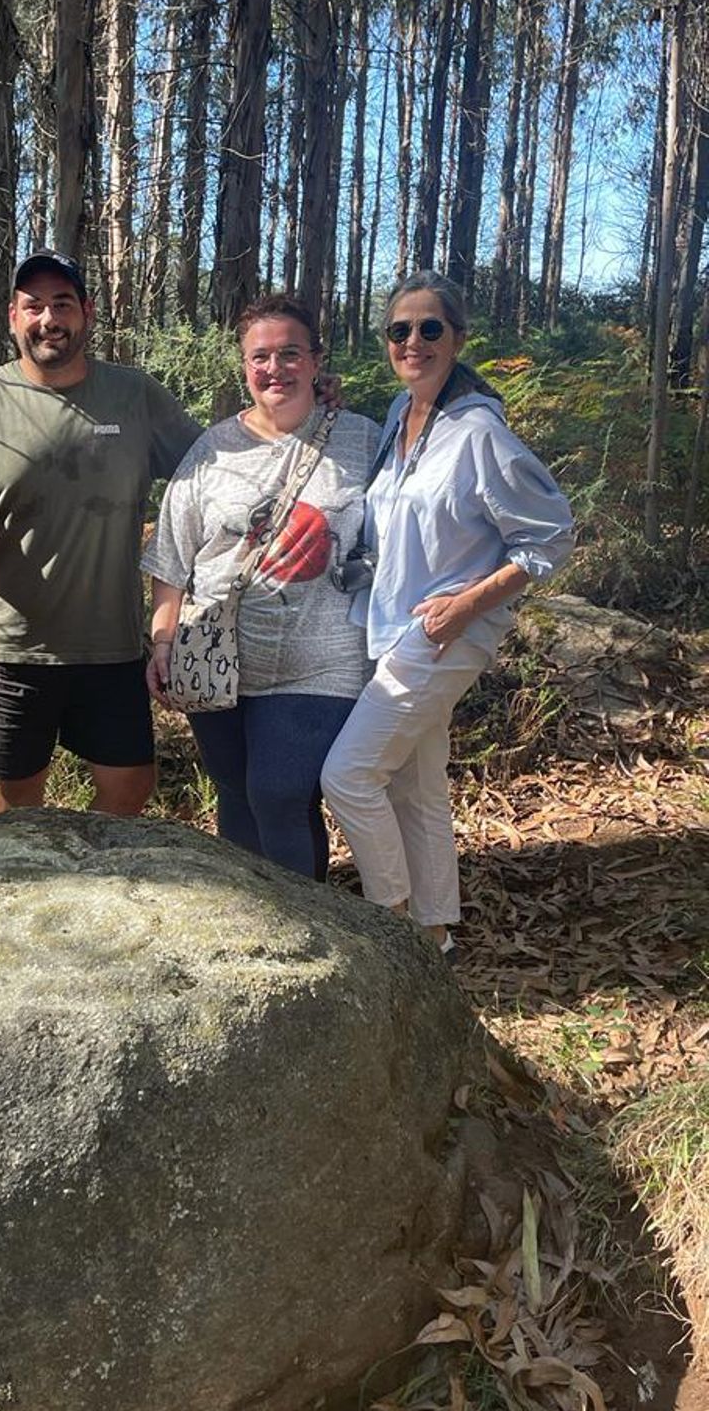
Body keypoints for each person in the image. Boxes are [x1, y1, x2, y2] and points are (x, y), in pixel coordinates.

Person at [321, 270, 574, 951]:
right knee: (415, 784)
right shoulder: (401, 421)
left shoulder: (478, 432)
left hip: (440, 636)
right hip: (392, 624)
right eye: (400, 330)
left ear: (457, 338)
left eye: (430, 328)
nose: (414, 341)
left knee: (346, 775)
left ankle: (392, 923)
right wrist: (327, 398)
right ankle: (434, 936)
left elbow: (550, 535)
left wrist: (469, 603)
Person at [0, 250, 203, 816]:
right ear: (13, 316)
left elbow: (214, 466)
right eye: (33, 306)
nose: (48, 319)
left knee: (131, 784)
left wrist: (295, 412)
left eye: (62, 304)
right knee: (17, 800)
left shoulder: (134, 397)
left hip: (109, 642)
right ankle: (25, 900)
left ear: (86, 312)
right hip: (7, 645)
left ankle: (93, 890)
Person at [142, 294, 380, 881]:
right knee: (235, 791)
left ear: (317, 361)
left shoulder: (365, 440)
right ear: (244, 366)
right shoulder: (213, 450)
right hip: (219, 653)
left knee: (279, 791)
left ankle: (307, 926)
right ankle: (251, 922)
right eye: (261, 357)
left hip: (323, 660)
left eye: (291, 353)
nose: (275, 369)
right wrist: (163, 642)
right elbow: (172, 557)